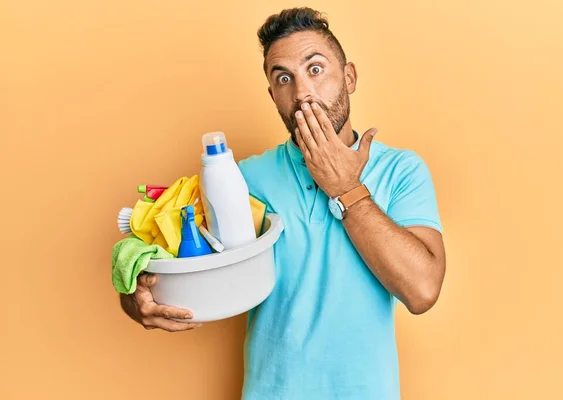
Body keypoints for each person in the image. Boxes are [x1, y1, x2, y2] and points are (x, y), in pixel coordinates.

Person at [119, 7, 446, 399]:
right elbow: (170, 248)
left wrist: (345, 188)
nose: (303, 92)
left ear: (350, 77)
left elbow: (423, 291)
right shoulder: (242, 179)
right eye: (284, 78)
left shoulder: (401, 170)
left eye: (316, 69)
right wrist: (133, 295)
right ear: (273, 95)